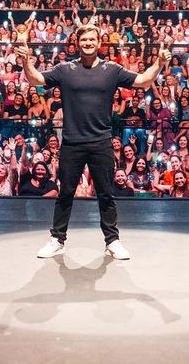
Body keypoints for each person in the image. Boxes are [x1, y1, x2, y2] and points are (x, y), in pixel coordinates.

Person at [18, 23, 170, 260]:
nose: (88, 43)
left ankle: (112, 241)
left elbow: (142, 81)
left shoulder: (112, 70)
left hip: (101, 142)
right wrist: (26, 60)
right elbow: (36, 80)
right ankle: (57, 239)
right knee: (65, 193)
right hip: (71, 142)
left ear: (99, 43)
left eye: (92, 40)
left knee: (106, 194)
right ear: (77, 43)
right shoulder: (65, 69)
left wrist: (159, 63)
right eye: (84, 40)